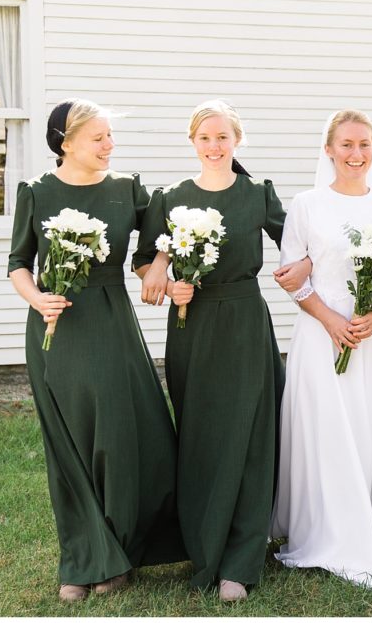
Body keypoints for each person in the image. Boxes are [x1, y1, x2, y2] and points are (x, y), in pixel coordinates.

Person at [7, 98, 186, 603]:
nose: (110, 145)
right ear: (65, 143)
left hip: (111, 323)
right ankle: (84, 559)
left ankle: (121, 551)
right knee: (70, 443)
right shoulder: (36, 192)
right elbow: (18, 262)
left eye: (110, 135)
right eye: (98, 137)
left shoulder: (127, 189)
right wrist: (37, 297)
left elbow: (165, 233)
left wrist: (158, 267)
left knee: (121, 437)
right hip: (56, 328)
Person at [133, 100, 310, 602]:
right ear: (192, 142)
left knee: (251, 435)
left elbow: (299, 244)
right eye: (205, 138)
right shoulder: (170, 198)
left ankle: (241, 559)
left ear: (237, 140)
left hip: (245, 322)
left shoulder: (257, 193)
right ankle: (204, 547)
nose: (214, 147)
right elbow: (144, 263)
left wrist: (306, 264)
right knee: (202, 433)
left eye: (223, 137)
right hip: (192, 325)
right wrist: (168, 284)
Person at [270, 109, 372, 588]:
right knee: (328, 430)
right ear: (328, 150)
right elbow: (291, 275)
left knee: (370, 427)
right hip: (321, 336)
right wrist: (331, 320)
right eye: (347, 144)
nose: (356, 153)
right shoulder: (307, 204)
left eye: (364, 144)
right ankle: (327, 529)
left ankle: (370, 520)